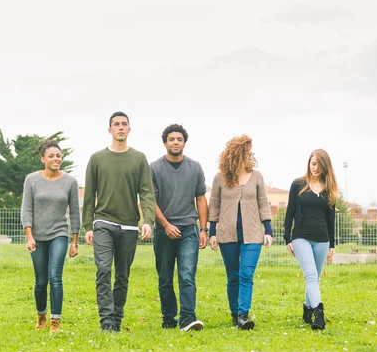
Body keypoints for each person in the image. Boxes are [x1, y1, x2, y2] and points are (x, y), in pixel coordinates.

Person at [82, 111, 156, 332]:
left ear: (129, 129)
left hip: (130, 226)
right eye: (116, 124)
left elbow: (147, 192)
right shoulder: (97, 159)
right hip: (103, 222)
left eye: (124, 124)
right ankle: (106, 321)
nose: (121, 127)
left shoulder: (139, 158)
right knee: (103, 269)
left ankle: (116, 318)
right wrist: (88, 225)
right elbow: (89, 195)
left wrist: (148, 221)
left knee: (122, 275)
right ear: (110, 129)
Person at [208, 135, 273, 330]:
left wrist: (268, 230)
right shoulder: (220, 177)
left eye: (251, 152)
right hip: (227, 234)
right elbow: (214, 205)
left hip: (252, 234)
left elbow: (263, 203)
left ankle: (243, 315)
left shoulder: (257, 176)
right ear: (237, 154)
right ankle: (235, 313)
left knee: (246, 274)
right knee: (233, 275)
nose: (251, 156)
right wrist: (212, 232)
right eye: (247, 152)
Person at [151, 124, 208, 331]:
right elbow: (150, 201)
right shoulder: (155, 168)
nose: (176, 142)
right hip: (163, 230)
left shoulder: (195, 167)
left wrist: (203, 229)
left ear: (184, 143)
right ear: (165, 142)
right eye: (172, 139)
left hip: (188, 230)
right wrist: (165, 225)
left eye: (179, 139)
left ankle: (187, 318)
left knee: (186, 275)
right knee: (165, 277)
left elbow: (201, 199)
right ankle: (168, 318)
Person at [20, 140, 80, 334]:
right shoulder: (32, 179)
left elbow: (74, 213)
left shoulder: (70, 182)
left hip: (59, 234)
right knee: (40, 281)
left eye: (58, 156)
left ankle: (55, 321)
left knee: (55, 277)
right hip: (37, 235)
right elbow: (26, 209)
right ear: (43, 159)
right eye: (52, 156)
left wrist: (74, 241)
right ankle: (41, 315)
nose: (56, 159)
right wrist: (29, 236)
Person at [284, 149, 337, 330]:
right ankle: (318, 314)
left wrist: (332, 244)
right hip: (301, 237)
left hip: (322, 239)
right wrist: (287, 239)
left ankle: (307, 309)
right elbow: (290, 212)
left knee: (314, 278)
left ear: (325, 167)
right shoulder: (298, 184)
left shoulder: (329, 188)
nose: (315, 168)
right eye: (313, 163)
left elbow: (331, 220)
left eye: (319, 165)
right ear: (309, 163)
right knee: (311, 275)